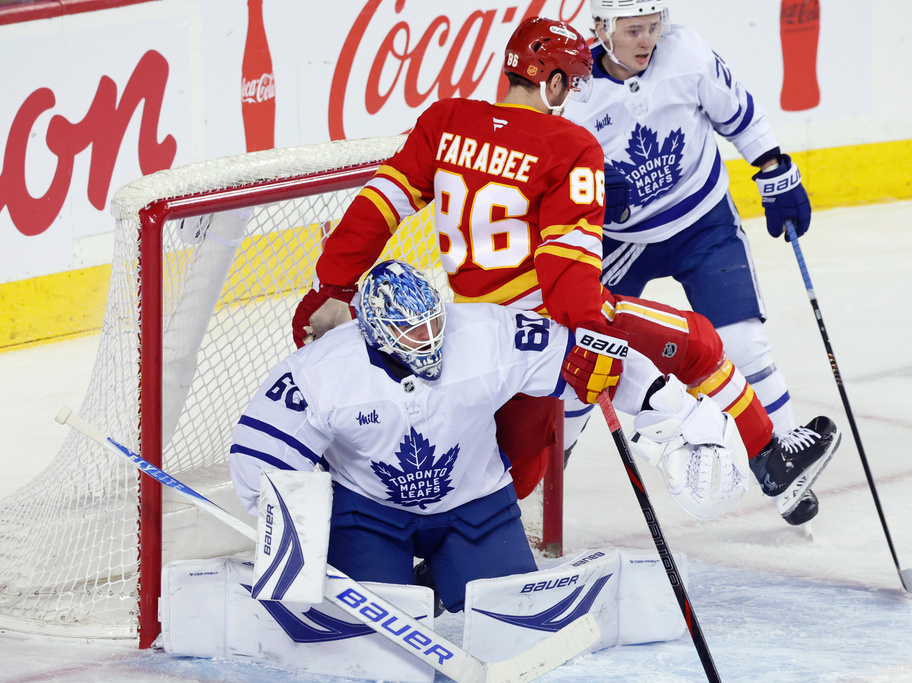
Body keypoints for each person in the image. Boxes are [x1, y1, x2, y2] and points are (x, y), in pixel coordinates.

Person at [292, 16, 837, 526]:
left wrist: (331, 285)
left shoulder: (445, 122)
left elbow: (378, 207)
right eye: (569, 83)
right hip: (543, 331)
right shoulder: (569, 145)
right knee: (696, 343)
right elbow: (567, 276)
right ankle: (770, 460)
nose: (571, 95)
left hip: (468, 330)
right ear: (551, 81)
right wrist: (597, 331)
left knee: (514, 464)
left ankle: (450, 528)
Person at [231, 259, 732, 613]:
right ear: (377, 334)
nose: (429, 340)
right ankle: (391, 575)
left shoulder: (486, 333)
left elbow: (590, 358)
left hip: (476, 505)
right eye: (411, 334)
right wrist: (290, 535)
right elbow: (261, 453)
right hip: (369, 513)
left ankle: (447, 570)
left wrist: (671, 409)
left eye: (433, 325)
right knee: (365, 636)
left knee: (512, 618)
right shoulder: (322, 370)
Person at [563, 0, 823, 516]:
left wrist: (772, 166)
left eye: (652, 27)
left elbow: (739, 112)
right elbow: (551, 178)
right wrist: (587, 194)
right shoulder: (574, 93)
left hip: (701, 220)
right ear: (600, 29)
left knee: (743, 341)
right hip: (622, 242)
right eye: (632, 30)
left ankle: (785, 461)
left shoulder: (686, 53)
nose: (646, 41)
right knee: (580, 356)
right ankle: (544, 474)